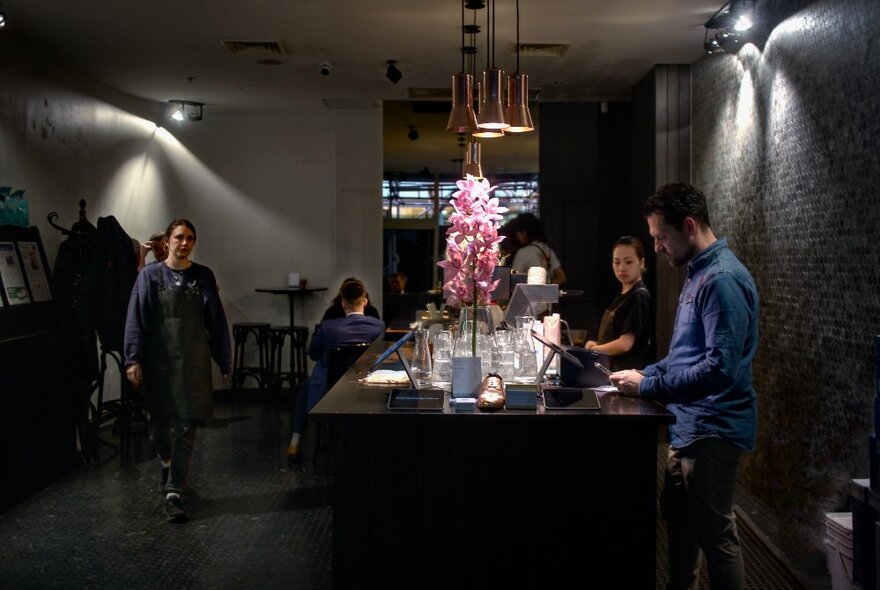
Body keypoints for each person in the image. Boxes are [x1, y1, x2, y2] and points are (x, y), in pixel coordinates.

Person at [609, 183, 759, 589]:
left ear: (689, 226)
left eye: (660, 237)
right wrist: (644, 376)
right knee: (680, 526)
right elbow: (684, 357)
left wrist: (649, 388)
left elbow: (719, 370)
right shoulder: (699, 274)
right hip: (688, 425)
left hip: (713, 428)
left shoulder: (722, 281)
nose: (656, 247)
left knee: (715, 534)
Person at [123, 219, 232, 523]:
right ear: (168, 241)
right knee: (158, 427)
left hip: (193, 366)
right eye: (180, 237)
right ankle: (166, 460)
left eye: (190, 238)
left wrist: (224, 359)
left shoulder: (203, 276)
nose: (185, 243)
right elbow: (136, 318)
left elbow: (216, 321)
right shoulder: (150, 277)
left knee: (185, 428)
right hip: (158, 365)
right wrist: (132, 359)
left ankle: (174, 492)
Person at [288, 277, 385, 460]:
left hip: (331, 390)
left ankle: (295, 440)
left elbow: (313, 353)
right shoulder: (378, 327)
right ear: (364, 300)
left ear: (342, 303)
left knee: (305, 387)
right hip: (367, 391)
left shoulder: (328, 327)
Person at [585, 236, 653, 371]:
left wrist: (594, 349)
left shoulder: (639, 297)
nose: (622, 268)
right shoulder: (621, 295)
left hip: (627, 374)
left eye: (628, 262)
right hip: (613, 371)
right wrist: (598, 344)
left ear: (641, 262)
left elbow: (625, 343)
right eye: (617, 262)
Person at [510, 213, 567, 285]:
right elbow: (562, 278)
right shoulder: (547, 249)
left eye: (518, 232)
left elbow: (513, 279)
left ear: (525, 232)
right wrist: (547, 284)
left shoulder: (523, 252)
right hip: (547, 294)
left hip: (529, 294)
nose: (517, 236)